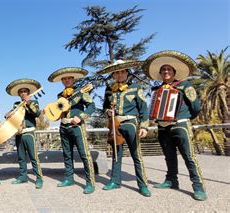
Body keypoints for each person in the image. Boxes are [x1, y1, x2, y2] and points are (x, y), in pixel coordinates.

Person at [143, 50, 207, 201]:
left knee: (189, 157)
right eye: (163, 70)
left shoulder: (185, 85)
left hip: (180, 125)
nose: (166, 71)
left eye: (169, 69)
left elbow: (196, 107)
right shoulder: (156, 90)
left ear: (174, 72)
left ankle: (198, 186)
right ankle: (172, 180)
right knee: (169, 156)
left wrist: (185, 118)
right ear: (160, 73)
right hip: (162, 127)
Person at [97, 60, 151, 197]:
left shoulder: (136, 87)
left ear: (127, 73)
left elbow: (143, 108)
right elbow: (105, 107)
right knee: (116, 154)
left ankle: (143, 184)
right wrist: (108, 112)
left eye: (122, 72)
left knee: (136, 155)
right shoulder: (109, 89)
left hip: (131, 123)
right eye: (117, 72)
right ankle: (115, 181)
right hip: (115, 125)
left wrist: (144, 126)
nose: (120, 74)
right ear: (113, 75)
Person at [47, 67, 95, 194]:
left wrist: (80, 117)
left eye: (69, 78)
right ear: (62, 81)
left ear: (73, 79)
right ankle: (69, 178)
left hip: (77, 127)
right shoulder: (59, 95)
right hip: (63, 127)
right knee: (67, 154)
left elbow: (92, 107)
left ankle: (90, 182)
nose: (67, 80)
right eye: (64, 79)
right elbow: (59, 111)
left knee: (84, 154)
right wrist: (50, 113)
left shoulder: (81, 91)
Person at [5, 78, 44, 189]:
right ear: (18, 94)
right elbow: (12, 118)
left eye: (25, 91)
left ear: (28, 93)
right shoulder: (16, 104)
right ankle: (23, 176)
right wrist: (8, 114)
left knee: (34, 157)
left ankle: (39, 178)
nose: (23, 93)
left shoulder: (34, 102)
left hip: (29, 133)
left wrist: (29, 102)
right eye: (21, 92)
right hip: (18, 133)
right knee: (21, 157)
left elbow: (36, 113)